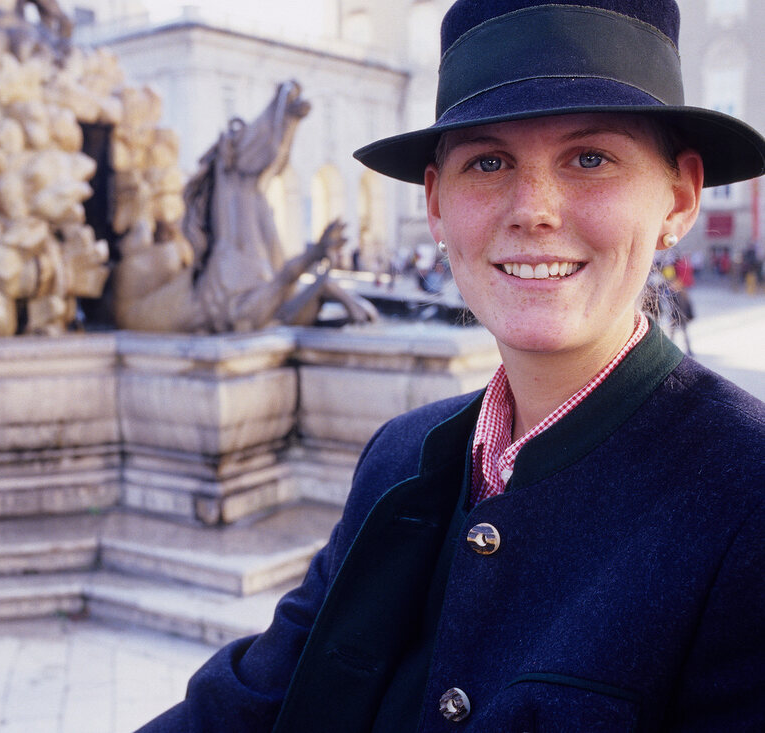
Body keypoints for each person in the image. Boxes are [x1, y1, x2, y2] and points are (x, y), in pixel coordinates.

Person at [137, 1, 765, 730]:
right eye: (489, 162)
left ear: (680, 197)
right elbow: (247, 703)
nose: (534, 209)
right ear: (436, 204)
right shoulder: (400, 456)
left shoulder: (745, 499)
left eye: (590, 158)